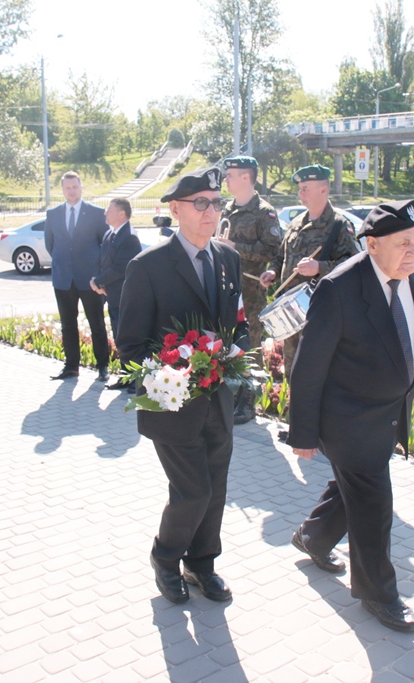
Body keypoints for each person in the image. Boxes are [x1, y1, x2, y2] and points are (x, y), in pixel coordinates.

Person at [287, 200, 414, 632]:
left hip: (390, 412)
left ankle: (313, 535)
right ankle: (378, 594)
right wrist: (304, 433)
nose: (413, 253)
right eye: (403, 244)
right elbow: (308, 366)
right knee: (373, 505)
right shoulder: (340, 289)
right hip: (347, 417)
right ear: (370, 246)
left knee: (354, 487)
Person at [118, 167, 249, 605]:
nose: (211, 211)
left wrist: (238, 352)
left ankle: (202, 562)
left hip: (219, 400)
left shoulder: (228, 259)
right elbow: (130, 346)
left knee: (216, 490)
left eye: (216, 202)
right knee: (193, 491)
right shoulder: (148, 266)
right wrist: (174, 372)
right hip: (171, 405)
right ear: (175, 210)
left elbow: (237, 326)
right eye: (201, 203)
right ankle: (166, 557)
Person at [259, 165, 359, 379]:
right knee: (292, 373)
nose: (300, 193)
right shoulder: (296, 223)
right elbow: (281, 255)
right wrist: (273, 272)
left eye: (305, 188)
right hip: (292, 312)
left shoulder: (339, 225)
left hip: (321, 313)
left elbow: (354, 264)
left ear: (323, 190)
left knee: (317, 373)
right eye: (300, 188)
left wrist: (319, 268)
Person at [215, 155, 282, 424]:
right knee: (229, 344)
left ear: (246, 177)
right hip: (227, 289)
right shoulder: (227, 208)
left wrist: (236, 248)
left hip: (251, 292)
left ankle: (248, 402)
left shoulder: (264, 211)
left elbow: (274, 250)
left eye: (231, 175)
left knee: (250, 347)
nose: (226, 179)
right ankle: (230, 396)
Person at [45, 171, 111, 382]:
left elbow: (105, 245)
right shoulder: (53, 214)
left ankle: (102, 367)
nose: (71, 191)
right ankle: (71, 366)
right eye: (67, 188)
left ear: (81, 188)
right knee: (68, 324)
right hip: (63, 279)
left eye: (74, 187)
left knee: (97, 324)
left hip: (90, 280)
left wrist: (99, 274)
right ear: (62, 190)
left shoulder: (96, 213)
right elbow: (50, 244)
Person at [90, 198, 141, 389]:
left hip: (124, 297)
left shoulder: (129, 237)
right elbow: (103, 262)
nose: (105, 213)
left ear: (121, 214)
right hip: (112, 295)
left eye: (109, 210)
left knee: (128, 337)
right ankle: (125, 376)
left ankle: (135, 379)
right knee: (119, 336)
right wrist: (97, 280)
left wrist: (98, 282)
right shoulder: (110, 235)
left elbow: (121, 268)